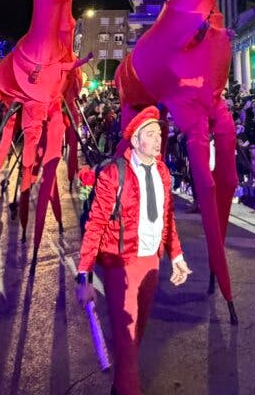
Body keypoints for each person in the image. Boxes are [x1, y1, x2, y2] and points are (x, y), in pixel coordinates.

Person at [75, 106, 191, 395]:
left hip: (152, 263)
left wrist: (176, 255)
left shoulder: (163, 171)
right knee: (127, 342)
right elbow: (95, 224)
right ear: (136, 141)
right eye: (150, 134)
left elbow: (167, 218)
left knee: (134, 337)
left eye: (159, 134)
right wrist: (83, 276)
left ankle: (120, 386)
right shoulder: (115, 173)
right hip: (121, 265)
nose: (158, 140)